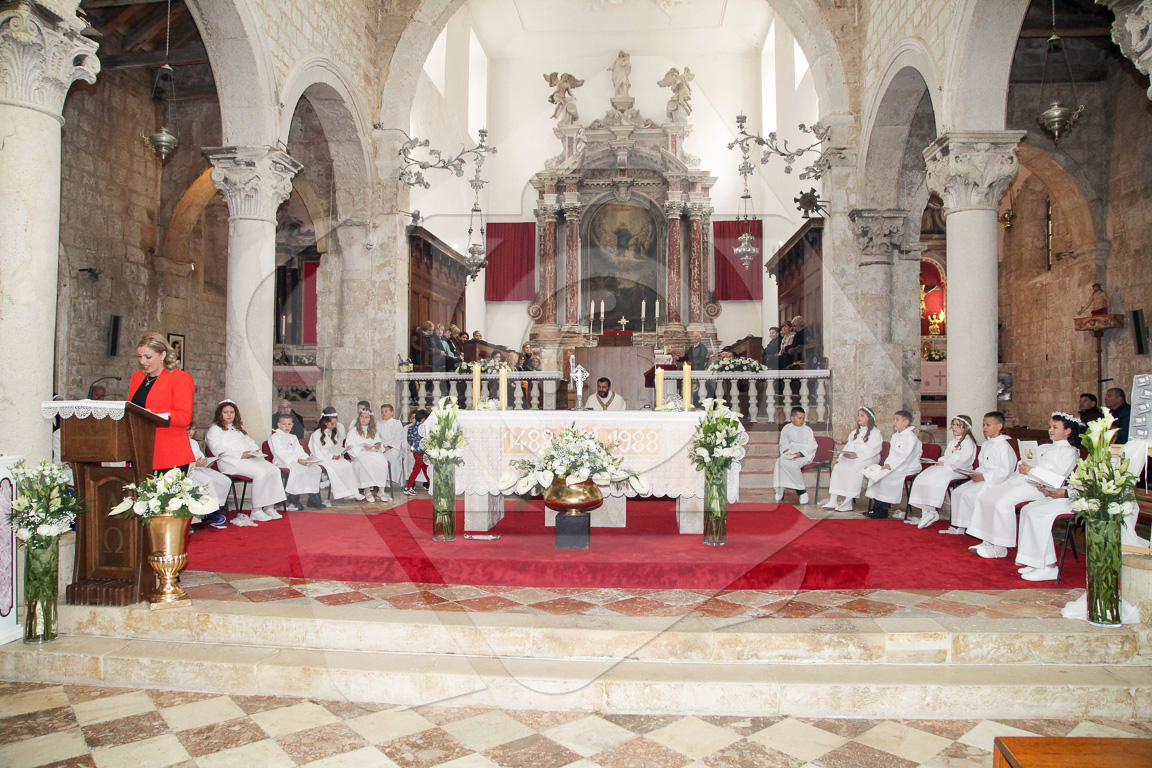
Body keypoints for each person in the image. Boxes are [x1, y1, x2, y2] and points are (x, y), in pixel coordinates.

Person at [1016, 441, 1149, 581]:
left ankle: (1049, 567)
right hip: (1074, 496)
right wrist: (1053, 490)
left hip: (1089, 502)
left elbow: (1097, 490)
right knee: (1028, 509)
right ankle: (1035, 561)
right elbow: (1078, 483)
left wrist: (1066, 493)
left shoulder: (1114, 459)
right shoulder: (1094, 456)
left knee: (1037, 513)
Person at [965, 412, 1082, 559]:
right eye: (1050, 427)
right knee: (986, 497)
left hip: (1039, 487)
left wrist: (1031, 471)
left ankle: (1000, 547)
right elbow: (1030, 461)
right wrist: (1023, 465)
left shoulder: (1070, 452)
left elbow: (1056, 478)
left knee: (1002, 503)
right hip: (1022, 480)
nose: (1050, 430)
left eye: (1055, 427)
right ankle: (988, 540)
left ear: (1068, 431)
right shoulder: (1044, 447)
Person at [206, 400, 287, 525]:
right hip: (230, 462)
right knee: (260, 473)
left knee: (274, 470)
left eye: (232, 412)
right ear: (220, 414)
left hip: (248, 459)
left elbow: (250, 441)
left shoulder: (239, 428)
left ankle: (269, 507)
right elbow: (218, 449)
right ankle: (256, 510)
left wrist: (255, 451)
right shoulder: (215, 429)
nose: (229, 415)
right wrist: (240, 454)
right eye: (226, 412)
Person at [128, 332, 196, 474]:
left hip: (169, 454)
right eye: (139, 356)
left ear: (162, 355)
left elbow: (184, 417)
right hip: (140, 451)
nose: (142, 361)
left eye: (148, 357)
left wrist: (150, 414)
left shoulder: (179, 378)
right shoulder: (136, 377)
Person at [941, 411, 1016, 535]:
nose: (984, 428)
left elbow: (1005, 471)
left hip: (993, 481)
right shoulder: (986, 444)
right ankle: (960, 525)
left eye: (988, 425)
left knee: (968, 495)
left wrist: (984, 477)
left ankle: (972, 527)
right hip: (983, 477)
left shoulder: (1004, 446)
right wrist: (975, 473)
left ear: (999, 426)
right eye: (983, 425)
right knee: (958, 492)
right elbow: (982, 465)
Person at [906, 415, 978, 529]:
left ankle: (932, 511)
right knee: (923, 476)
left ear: (966, 427)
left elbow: (963, 461)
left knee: (936, 478)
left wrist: (946, 464)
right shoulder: (953, 442)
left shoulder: (968, 443)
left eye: (958, 425)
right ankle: (927, 511)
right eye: (953, 425)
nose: (954, 427)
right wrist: (940, 461)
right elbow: (946, 456)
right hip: (948, 467)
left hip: (959, 470)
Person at [863, 410, 923, 519]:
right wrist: (887, 465)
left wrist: (891, 467)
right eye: (894, 419)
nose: (894, 422)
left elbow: (907, 457)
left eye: (897, 420)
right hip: (894, 465)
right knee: (876, 475)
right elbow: (892, 454)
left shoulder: (911, 437)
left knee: (886, 477)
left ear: (906, 422)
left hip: (908, 467)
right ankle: (877, 507)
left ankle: (884, 510)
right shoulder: (895, 436)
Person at [821, 407, 883, 512]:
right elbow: (849, 446)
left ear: (869, 418)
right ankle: (833, 499)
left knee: (854, 468)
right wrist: (846, 454)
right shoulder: (854, 432)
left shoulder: (876, 433)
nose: (859, 417)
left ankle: (848, 502)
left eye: (862, 415)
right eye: (858, 415)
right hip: (854, 456)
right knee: (839, 466)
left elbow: (874, 449)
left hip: (869, 457)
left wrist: (857, 455)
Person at [269, 414, 324, 510]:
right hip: (283, 461)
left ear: (292, 425)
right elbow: (280, 453)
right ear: (279, 425)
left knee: (315, 468)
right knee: (299, 470)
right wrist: (297, 460)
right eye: (284, 424)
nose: (287, 427)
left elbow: (299, 450)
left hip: (297, 460)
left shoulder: (293, 437)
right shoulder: (275, 437)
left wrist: (306, 458)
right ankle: (293, 498)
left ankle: (313, 498)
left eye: (289, 424)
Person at [309, 412, 364, 501]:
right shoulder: (316, 434)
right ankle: (343, 493)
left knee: (347, 465)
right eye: (332, 424)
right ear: (325, 422)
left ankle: (353, 491)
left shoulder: (331, 433)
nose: (334, 426)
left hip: (332, 457)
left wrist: (338, 453)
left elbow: (335, 447)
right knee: (337, 467)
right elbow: (317, 452)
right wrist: (331, 456)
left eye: (335, 424)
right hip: (322, 458)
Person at [185, 425, 230, 529]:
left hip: (200, 468)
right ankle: (211, 513)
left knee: (224, 480)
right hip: (189, 471)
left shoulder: (194, 442)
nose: (191, 432)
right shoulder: (179, 443)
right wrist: (196, 464)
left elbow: (200, 457)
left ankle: (218, 508)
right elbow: (182, 463)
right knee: (207, 480)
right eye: (188, 429)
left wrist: (207, 462)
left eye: (193, 429)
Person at [346, 409, 393, 502]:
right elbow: (349, 445)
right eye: (362, 417)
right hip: (360, 453)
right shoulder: (353, 430)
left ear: (370, 419)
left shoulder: (373, 430)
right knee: (367, 462)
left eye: (366, 417)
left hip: (372, 452)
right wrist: (362, 447)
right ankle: (367, 491)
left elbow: (378, 441)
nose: (363, 419)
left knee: (382, 462)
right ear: (359, 418)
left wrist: (378, 446)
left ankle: (381, 491)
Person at [774, 407, 817, 505]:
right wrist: (787, 451)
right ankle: (780, 487)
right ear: (792, 418)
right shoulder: (786, 428)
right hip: (791, 453)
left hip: (804, 455)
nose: (802, 421)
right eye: (799, 418)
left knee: (793, 465)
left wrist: (800, 454)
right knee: (780, 461)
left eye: (803, 418)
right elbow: (783, 443)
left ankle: (802, 492)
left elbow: (812, 446)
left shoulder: (807, 430)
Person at [379, 403, 410, 486]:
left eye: (386, 411)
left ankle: (389, 480)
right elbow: (376, 437)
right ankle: (379, 480)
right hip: (381, 447)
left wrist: (388, 447)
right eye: (382, 412)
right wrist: (381, 447)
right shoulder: (378, 424)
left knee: (392, 456)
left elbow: (398, 437)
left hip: (393, 447)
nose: (384, 414)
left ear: (392, 412)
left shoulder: (397, 423)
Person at [405, 409, 430, 495]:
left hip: (415, 452)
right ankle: (408, 487)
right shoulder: (423, 428)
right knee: (416, 470)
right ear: (423, 419)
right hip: (422, 452)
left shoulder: (411, 427)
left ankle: (431, 485)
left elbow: (409, 440)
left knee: (426, 469)